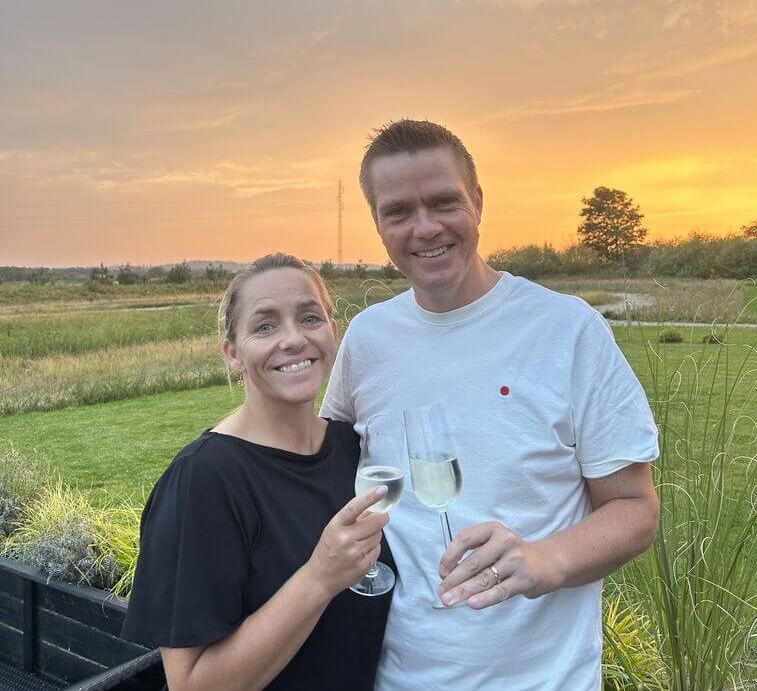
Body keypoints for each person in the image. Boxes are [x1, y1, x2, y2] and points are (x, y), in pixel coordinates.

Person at [320, 120, 661, 690]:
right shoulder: (367, 339)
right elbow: (321, 465)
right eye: (398, 211)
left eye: (443, 202)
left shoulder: (567, 330)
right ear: (377, 224)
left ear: (477, 201)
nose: (425, 227)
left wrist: (543, 560)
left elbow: (635, 509)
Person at [122, 253, 395, 691]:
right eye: (265, 326)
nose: (294, 339)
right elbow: (191, 685)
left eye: (309, 318)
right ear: (233, 354)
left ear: (333, 331)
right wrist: (319, 577)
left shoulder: (352, 448)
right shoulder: (204, 478)